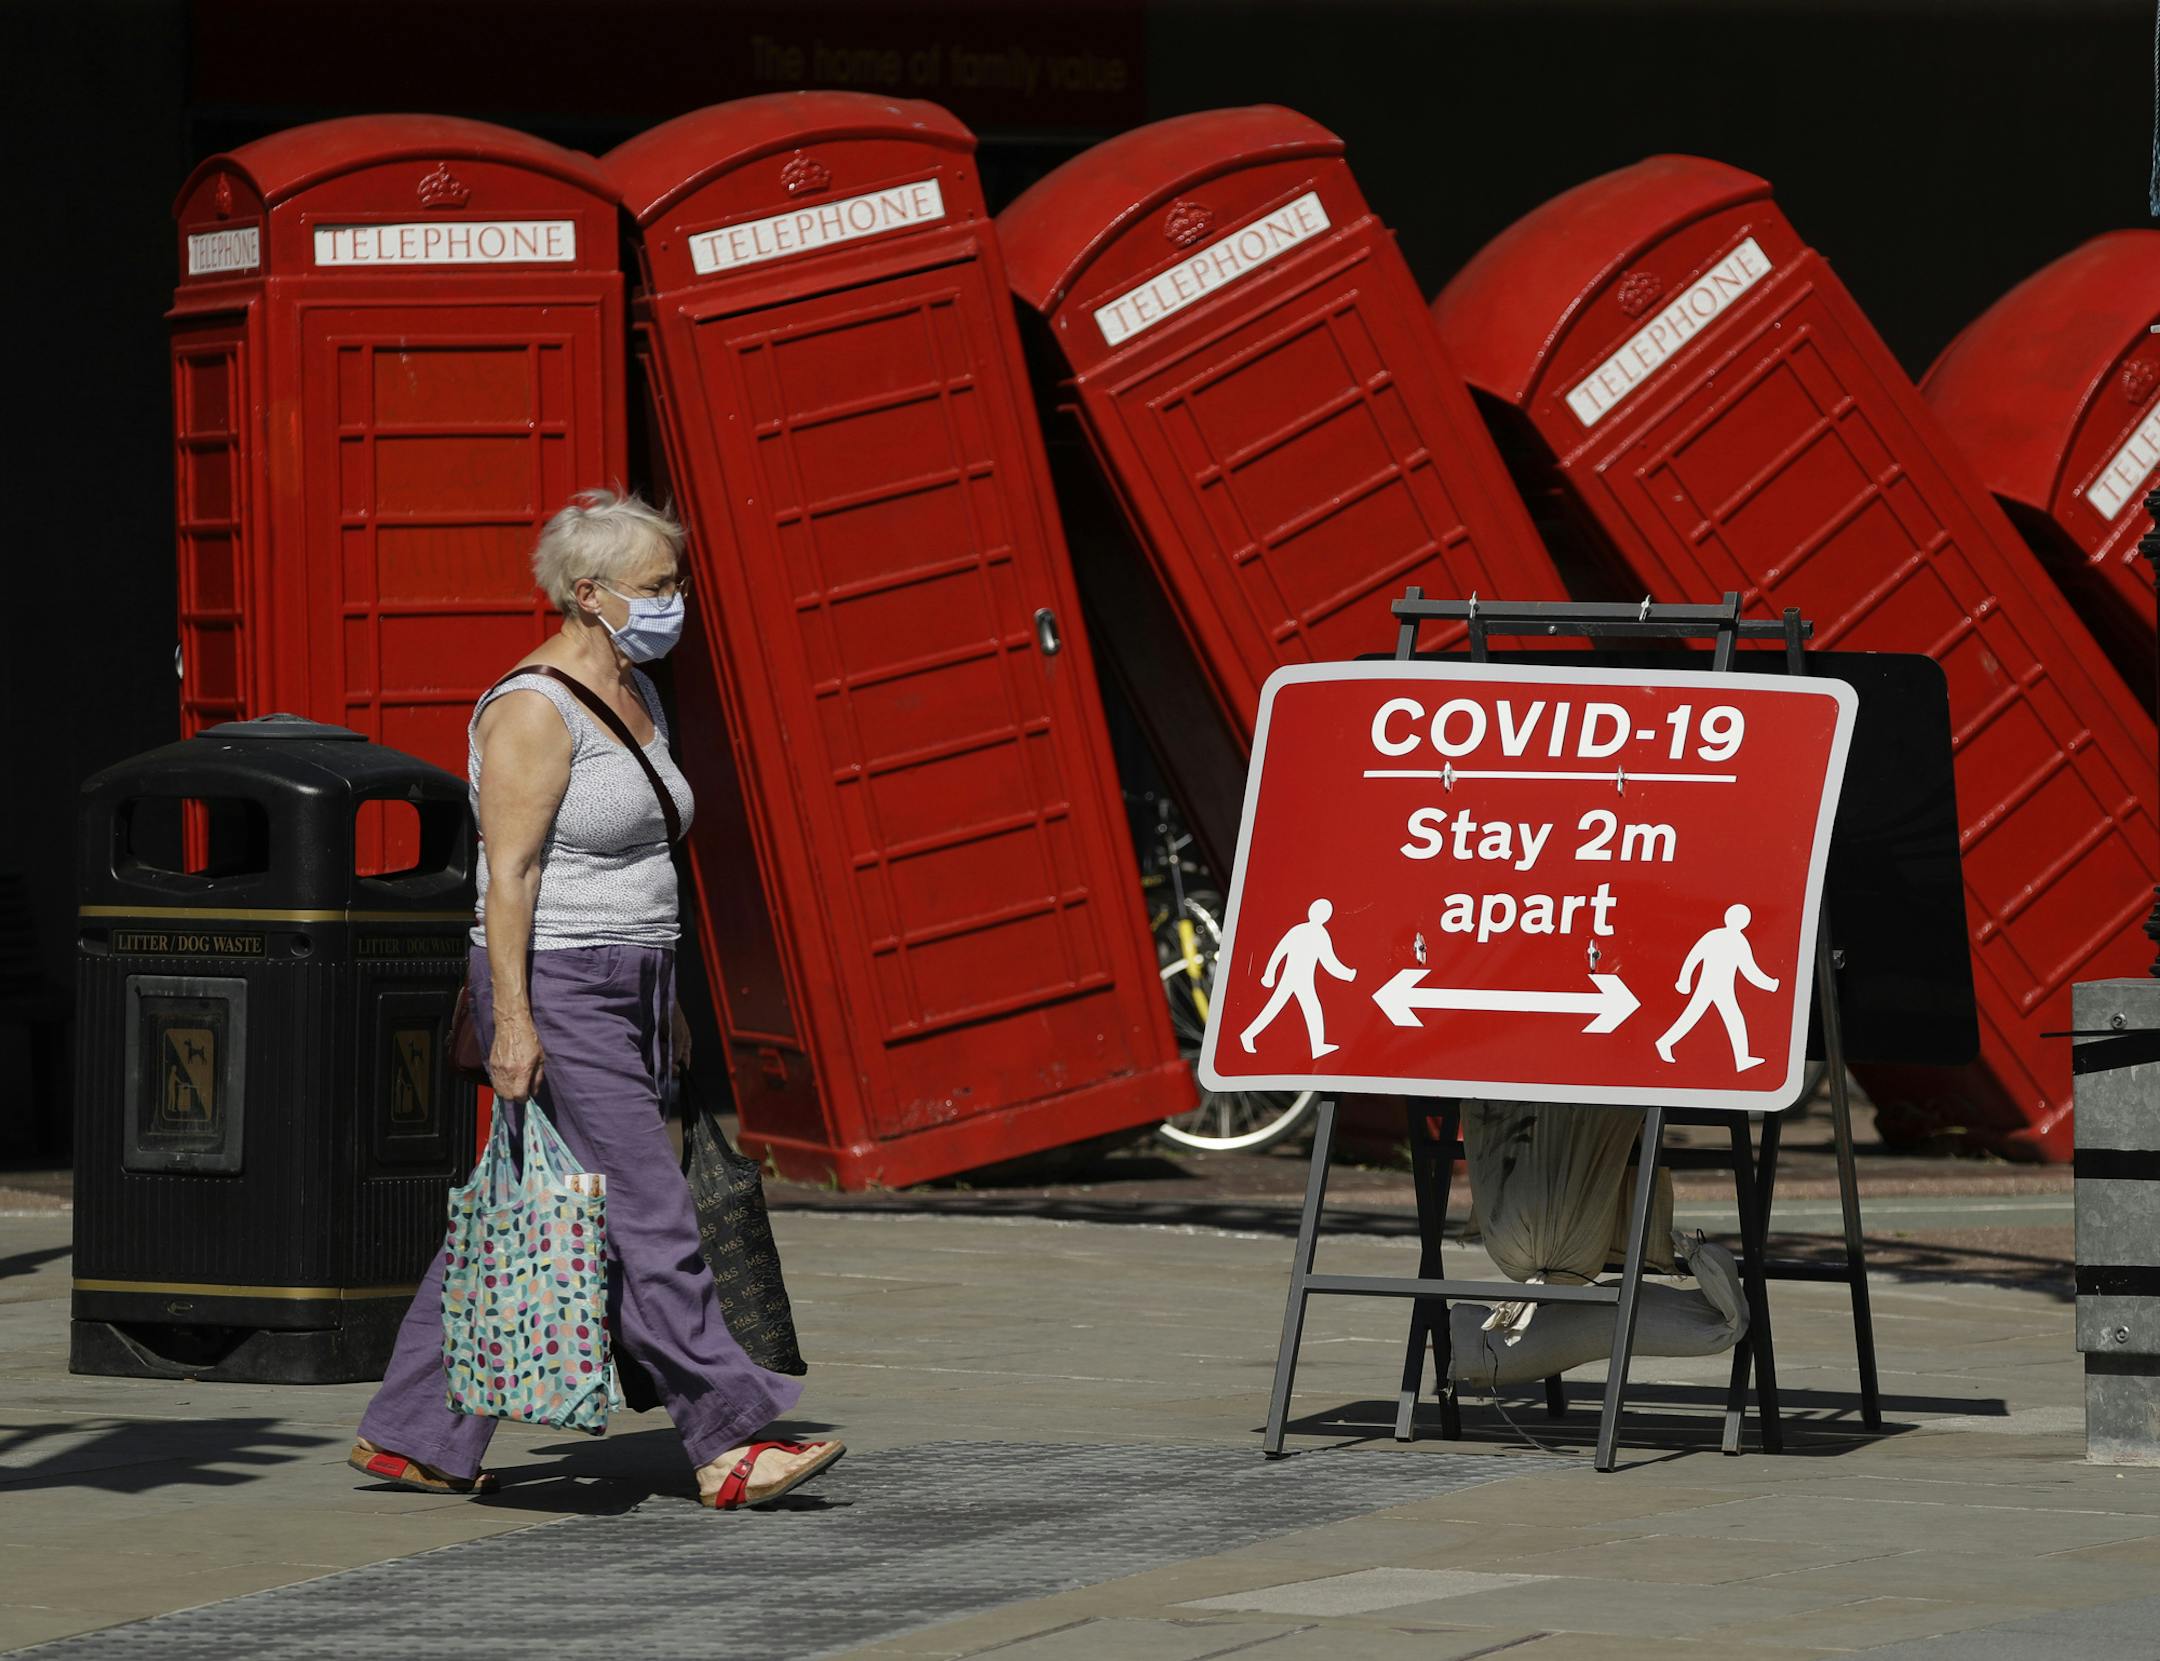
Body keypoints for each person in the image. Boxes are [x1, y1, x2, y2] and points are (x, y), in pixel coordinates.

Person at [350, 489, 842, 1511]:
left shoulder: (636, 692)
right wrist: (514, 1023)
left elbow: (651, 848)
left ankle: (411, 1433)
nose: (677, 602)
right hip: (558, 977)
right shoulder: (532, 706)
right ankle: (728, 1438)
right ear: (589, 593)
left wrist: (669, 999)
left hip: (636, 976)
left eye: (677, 582)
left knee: (523, 1205)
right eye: (658, 586)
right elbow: (510, 873)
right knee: (650, 1208)